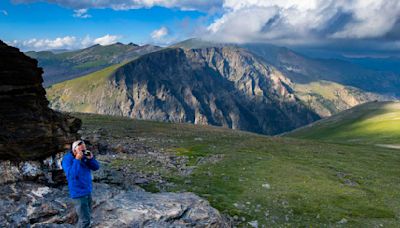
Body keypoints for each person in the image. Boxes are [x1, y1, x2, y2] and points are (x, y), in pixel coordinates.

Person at [62, 140, 100, 228]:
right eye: (81, 150)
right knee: (85, 220)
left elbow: (96, 167)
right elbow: (72, 175)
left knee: (87, 216)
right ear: (74, 150)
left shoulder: (84, 156)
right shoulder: (67, 159)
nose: (83, 152)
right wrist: (77, 159)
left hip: (87, 190)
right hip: (78, 193)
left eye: (84, 149)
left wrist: (91, 159)